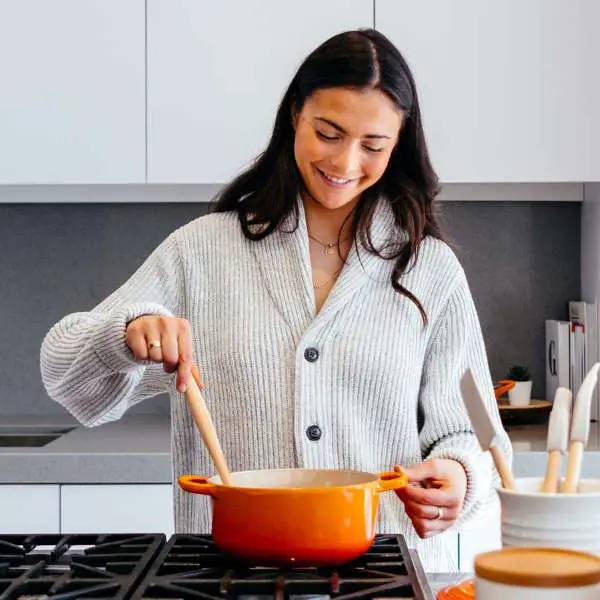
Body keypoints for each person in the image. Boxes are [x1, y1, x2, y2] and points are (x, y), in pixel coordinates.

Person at [40, 28, 512, 572]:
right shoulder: (204, 251)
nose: (346, 161)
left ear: (399, 143)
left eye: (373, 145)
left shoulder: (429, 268)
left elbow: (473, 433)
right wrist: (124, 334)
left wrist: (456, 476)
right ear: (295, 115)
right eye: (328, 132)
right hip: (224, 575)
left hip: (380, 573)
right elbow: (65, 376)